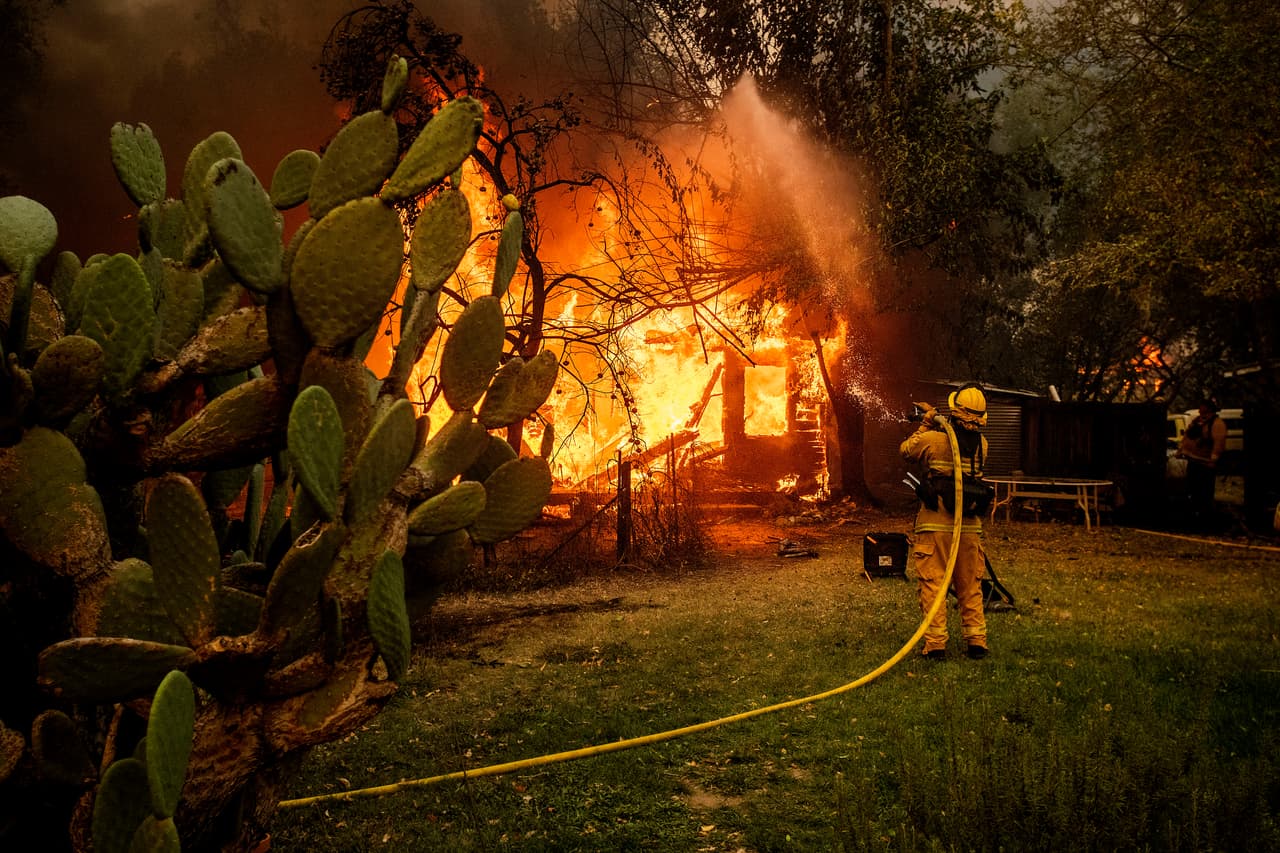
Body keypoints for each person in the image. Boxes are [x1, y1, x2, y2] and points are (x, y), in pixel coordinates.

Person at [900, 383, 990, 661]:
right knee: (969, 584)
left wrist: (926, 423)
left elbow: (906, 451)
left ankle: (936, 644)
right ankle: (976, 640)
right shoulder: (983, 446)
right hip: (969, 527)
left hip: (935, 525)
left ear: (954, 412)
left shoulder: (934, 440)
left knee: (933, 583)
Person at [1177, 396, 1227, 528]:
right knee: (1192, 490)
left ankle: (1206, 519)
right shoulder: (1196, 421)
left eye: (1203, 405)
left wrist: (1213, 459)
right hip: (1193, 461)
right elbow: (1187, 436)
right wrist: (1181, 450)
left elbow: (1219, 443)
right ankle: (1194, 515)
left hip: (1206, 464)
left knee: (1205, 492)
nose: (1200, 408)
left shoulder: (1217, 424)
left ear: (1209, 408)